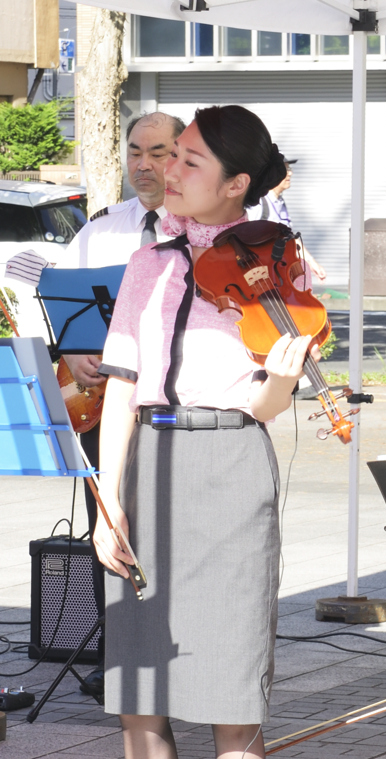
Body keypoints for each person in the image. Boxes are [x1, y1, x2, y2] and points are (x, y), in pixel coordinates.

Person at [91, 104, 316, 759]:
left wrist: (283, 386)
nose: (170, 169)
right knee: (138, 694)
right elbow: (120, 384)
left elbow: (262, 406)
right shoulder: (149, 262)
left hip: (229, 464)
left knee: (230, 703)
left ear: (237, 185)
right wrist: (110, 500)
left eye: (191, 161)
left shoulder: (278, 271)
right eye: (171, 155)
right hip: (148, 465)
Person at [57, 112, 185, 701]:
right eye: (135, 150)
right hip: (107, 404)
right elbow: (57, 304)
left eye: (157, 152)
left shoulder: (202, 230)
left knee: (173, 530)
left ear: (181, 156)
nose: (143, 164)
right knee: (105, 524)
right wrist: (77, 349)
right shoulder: (103, 229)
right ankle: (115, 652)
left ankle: (175, 649)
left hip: (174, 408)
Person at [246, 158, 326, 282]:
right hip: (259, 277)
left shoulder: (280, 202)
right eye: (285, 169)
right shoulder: (258, 203)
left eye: (289, 168)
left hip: (276, 274)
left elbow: (289, 238)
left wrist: (312, 263)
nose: (290, 173)